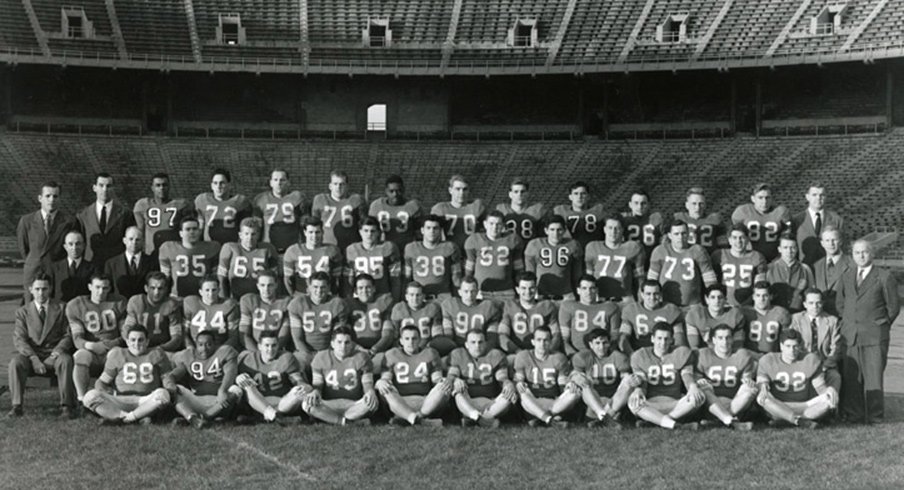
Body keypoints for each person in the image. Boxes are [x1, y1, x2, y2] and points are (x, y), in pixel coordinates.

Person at [835, 239, 899, 424]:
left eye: (864, 252)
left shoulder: (884, 277)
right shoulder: (847, 276)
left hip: (874, 335)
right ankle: (854, 414)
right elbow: (841, 304)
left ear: (872, 254)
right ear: (852, 255)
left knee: (873, 377)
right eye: (857, 252)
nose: (861, 256)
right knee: (852, 377)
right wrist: (849, 322)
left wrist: (881, 323)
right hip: (850, 335)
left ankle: (875, 416)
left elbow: (893, 307)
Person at [8, 273, 76, 418]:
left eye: (44, 289)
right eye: (37, 289)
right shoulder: (23, 312)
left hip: (54, 353)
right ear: (30, 289)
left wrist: (56, 353)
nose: (41, 293)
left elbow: (68, 335)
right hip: (32, 354)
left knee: (66, 360)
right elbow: (20, 339)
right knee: (15, 363)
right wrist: (33, 358)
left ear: (50, 289)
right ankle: (16, 406)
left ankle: (66, 406)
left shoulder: (62, 308)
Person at [82, 325, 171, 425]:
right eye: (133, 340)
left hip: (145, 400)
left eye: (140, 340)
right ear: (127, 341)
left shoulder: (157, 353)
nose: (136, 344)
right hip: (120, 400)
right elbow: (102, 382)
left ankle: (123, 419)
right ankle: (134, 417)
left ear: (147, 341)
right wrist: (104, 391)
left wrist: (170, 389)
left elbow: (167, 378)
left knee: (163, 394)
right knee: (89, 396)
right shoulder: (118, 354)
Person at [628, 322, 704, 430]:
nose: (663, 343)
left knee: (700, 396)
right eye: (659, 338)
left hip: (675, 403)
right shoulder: (640, 355)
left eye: (666, 339)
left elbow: (686, 375)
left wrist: (692, 387)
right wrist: (638, 390)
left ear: (672, 340)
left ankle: (656, 421)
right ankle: (675, 425)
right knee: (633, 403)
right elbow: (642, 382)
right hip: (651, 404)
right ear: (652, 339)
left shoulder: (681, 352)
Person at [756, 329, 836, 428]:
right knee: (762, 398)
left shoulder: (810, 359)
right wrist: (763, 387)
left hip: (804, 406)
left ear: (800, 346)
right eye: (788, 346)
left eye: (795, 346)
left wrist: (829, 391)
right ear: (781, 346)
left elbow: (820, 387)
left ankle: (787, 420)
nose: (792, 350)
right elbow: (762, 382)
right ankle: (798, 420)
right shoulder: (769, 360)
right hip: (778, 404)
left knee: (827, 398)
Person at [68, 274, 127, 407]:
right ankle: (82, 400)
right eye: (97, 287)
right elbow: (77, 338)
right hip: (91, 350)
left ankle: (115, 399)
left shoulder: (119, 303)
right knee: (80, 355)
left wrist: (108, 344)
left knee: (117, 354)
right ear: (90, 287)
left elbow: (125, 334)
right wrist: (92, 345)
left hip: (111, 348)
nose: (101, 292)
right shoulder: (76, 305)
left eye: (105, 288)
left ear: (110, 288)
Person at [376, 326, 451, 426]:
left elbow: (436, 379)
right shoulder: (391, 354)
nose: (411, 342)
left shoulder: (430, 353)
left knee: (444, 386)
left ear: (420, 340)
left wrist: (443, 381)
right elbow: (386, 378)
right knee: (384, 387)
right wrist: (381, 382)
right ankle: (419, 421)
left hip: (426, 401)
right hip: (400, 400)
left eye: (414, 338)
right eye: (407, 339)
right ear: (401, 341)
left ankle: (412, 418)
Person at [164, 330, 241, 428]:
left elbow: (231, 373)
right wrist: (171, 386)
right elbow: (171, 376)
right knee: (177, 389)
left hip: (219, 400)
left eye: (208, 344)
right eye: (200, 344)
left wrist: (223, 390)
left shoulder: (224, 352)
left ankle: (200, 419)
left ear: (215, 344)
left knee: (236, 390)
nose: (204, 348)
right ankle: (193, 418)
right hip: (197, 400)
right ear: (196, 345)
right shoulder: (188, 355)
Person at [303, 327, 378, 425]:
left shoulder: (362, 357)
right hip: (329, 404)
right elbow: (318, 385)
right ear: (332, 344)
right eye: (339, 342)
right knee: (306, 404)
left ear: (352, 344)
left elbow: (367, 384)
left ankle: (331, 419)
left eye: (347, 342)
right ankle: (346, 421)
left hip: (354, 404)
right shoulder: (321, 357)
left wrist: (370, 392)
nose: (343, 346)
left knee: (372, 403)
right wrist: (315, 392)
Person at [17, 181, 80, 293]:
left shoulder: (69, 222)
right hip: (33, 273)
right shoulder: (27, 221)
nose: (52, 200)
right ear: (40, 198)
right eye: (48, 196)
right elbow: (24, 248)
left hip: (58, 273)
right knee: (33, 308)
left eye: (55, 196)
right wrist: (36, 261)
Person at [234, 331, 310, 424]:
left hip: (283, 402)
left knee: (300, 390)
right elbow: (238, 385)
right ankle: (276, 417)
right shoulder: (248, 359)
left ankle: (266, 417)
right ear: (259, 346)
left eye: (274, 345)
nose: (270, 349)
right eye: (267, 345)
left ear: (278, 346)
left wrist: (302, 386)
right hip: (258, 401)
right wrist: (239, 378)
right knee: (246, 385)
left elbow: (298, 380)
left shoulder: (286, 357)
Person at [447, 329, 517, 427]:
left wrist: (508, 384)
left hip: (491, 402)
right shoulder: (458, 354)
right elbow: (452, 375)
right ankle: (482, 419)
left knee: (509, 394)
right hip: (468, 399)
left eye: (480, 342)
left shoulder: (495, 355)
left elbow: (502, 378)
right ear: (466, 344)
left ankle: (474, 419)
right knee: (457, 390)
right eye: (473, 342)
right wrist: (456, 380)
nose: (477, 346)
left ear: (486, 343)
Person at [513, 327, 580, 427]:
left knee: (575, 393)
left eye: (546, 340)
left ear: (551, 342)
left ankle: (541, 418)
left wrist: (569, 386)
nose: (542, 344)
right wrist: (518, 383)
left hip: (554, 403)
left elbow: (562, 385)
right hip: (533, 400)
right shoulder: (523, 356)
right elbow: (518, 379)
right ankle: (551, 420)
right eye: (539, 340)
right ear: (533, 342)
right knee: (522, 391)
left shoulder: (558, 357)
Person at [694, 324, 758, 430]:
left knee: (751, 388)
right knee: (703, 387)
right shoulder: (703, 354)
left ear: (732, 339)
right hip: (711, 403)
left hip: (735, 402)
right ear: (714, 340)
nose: (724, 342)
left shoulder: (741, 355)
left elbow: (746, 380)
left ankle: (721, 419)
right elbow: (696, 379)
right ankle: (731, 420)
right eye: (720, 338)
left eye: (728, 337)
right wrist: (699, 381)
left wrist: (749, 381)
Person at [570, 328, 633, 428]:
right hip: (593, 400)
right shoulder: (582, 357)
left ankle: (602, 419)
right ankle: (606, 418)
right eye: (597, 343)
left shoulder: (618, 357)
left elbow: (624, 380)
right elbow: (577, 376)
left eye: (605, 343)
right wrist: (575, 378)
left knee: (628, 383)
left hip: (612, 401)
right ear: (591, 344)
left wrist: (629, 380)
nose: (601, 347)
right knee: (584, 383)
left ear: (609, 343)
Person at [646, 219, 717, 308]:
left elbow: (710, 281)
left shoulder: (698, 250)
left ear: (688, 234)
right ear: (670, 235)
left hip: (693, 306)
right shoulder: (660, 251)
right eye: (676, 234)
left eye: (683, 233)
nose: (680, 237)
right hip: (666, 306)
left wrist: (712, 301)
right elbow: (651, 282)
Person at [287, 271, 350, 370]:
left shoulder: (337, 304)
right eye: (315, 287)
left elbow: (338, 336)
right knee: (294, 365)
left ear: (329, 287)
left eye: (323, 287)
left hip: (329, 351)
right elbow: (297, 338)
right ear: (309, 288)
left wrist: (326, 355)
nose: (319, 291)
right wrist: (308, 355)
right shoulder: (298, 304)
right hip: (305, 352)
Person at [790, 289, 842, 395]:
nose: (815, 306)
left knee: (835, 377)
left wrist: (825, 365)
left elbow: (836, 347)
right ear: (804, 304)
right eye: (811, 303)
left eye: (818, 303)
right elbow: (793, 344)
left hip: (824, 364)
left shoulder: (832, 321)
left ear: (822, 304)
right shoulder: (796, 319)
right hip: (801, 363)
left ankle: (831, 407)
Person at [497, 272, 560, 361]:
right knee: (509, 361)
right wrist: (518, 351)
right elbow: (502, 335)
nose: (527, 292)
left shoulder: (547, 306)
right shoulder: (510, 306)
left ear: (536, 288)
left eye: (531, 288)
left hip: (543, 353)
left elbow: (556, 334)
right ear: (517, 289)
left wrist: (547, 351)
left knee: (559, 359)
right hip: (517, 353)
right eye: (523, 288)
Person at [76, 172, 135, 265]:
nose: (105, 189)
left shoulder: (125, 214)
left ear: (113, 188)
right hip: (91, 265)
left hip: (116, 266)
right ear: (94, 188)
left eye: (108, 186)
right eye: (101, 185)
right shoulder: (83, 215)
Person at [465, 210, 524, 300]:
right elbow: (470, 268)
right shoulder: (474, 240)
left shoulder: (513, 240)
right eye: (491, 223)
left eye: (498, 224)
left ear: (503, 226)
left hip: (506, 290)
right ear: (485, 224)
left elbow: (518, 268)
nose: (494, 227)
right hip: (482, 290)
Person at [585, 214, 645, 303]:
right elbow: (588, 278)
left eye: (617, 228)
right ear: (604, 229)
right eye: (610, 228)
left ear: (622, 230)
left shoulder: (633, 248)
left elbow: (639, 278)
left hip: (624, 300)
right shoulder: (593, 247)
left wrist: (641, 300)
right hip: (600, 300)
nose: (613, 231)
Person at [216, 217, 279, 300]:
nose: (250, 238)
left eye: (253, 234)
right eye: (246, 234)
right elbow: (221, 278)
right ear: (240, 235)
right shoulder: (229, 248)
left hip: (259, 298)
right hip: (235, 296)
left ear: (258, 235)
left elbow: (275, 278)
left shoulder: (267, 249)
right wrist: (224, 299)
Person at [158, 216, 221, 298]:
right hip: (177, 297)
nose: (192, 232)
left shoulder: (212, 248)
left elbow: (215, 277)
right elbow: (165, 278)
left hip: (203, 298)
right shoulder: (168, 248)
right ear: (181, 233)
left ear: (199, 231)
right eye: (188, 229)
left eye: (195, 229)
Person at [133, 172, 194, 255]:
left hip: (173, 252)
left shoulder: (180, 205)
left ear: (169, 187)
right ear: (152, 188)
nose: (161, 188)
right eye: (158, 185)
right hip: (151, 253)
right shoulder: (143, 205)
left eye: (164, 185)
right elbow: (140, 232)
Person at [123, 272, 184, 354]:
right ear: (146, 288)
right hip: (138, 348)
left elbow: (176, 337)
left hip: (162, 350)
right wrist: (135, 346)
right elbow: (127, 329)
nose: (156, 292)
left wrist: (159, 349)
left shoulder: (171, 304)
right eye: (153, 288)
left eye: (160, 288)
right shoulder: (136, 302)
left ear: (166, 289)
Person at [403, 214, 462, 300]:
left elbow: (456, 277)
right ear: (422, 230)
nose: (432, 231)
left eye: (435, 228)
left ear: (440, 230)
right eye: (428, 228)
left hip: (443, 297)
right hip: (419, 298)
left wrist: (457, 298)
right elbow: (407, 278)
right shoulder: (411, 248)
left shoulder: (450, 248)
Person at [558, 275, 620, 355]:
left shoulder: (610, 307)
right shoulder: (568, 307)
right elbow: (564, 339)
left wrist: (606, 356)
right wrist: (573, 356)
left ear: (597, 290)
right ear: (578, 290)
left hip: (603, 354)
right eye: (584, 288)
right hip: (577, 354)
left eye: (592, 288)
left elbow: (615, 338)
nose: (588, 292)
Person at [524, 215, 581, 300]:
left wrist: (577, 293)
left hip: (566, 294)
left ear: (564, 230)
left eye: (559, 230)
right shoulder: (535, 245)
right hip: (541, 294)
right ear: (546, 230)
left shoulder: (573, 245)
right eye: (552, 230)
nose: (556, 234)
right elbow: (530, 274)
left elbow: (577, 274)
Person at [283, 215, 344, 296]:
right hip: (302, 295)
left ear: (322, 232)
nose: (314, 236)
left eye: (317, 232)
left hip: (324, 295)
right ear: (305, 232)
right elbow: (288, 280)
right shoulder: (293, 251)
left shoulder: (332, 251)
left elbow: (337, 279)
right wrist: (294, 295)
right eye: (311, 232)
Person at [619, 280, 685, 353]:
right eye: (648, 294)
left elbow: (679, 336)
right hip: (639, 353)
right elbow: (624, 337)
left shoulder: (671, 310)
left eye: (655, 294)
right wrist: (631, 355)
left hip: (665, 353)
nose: (652, 297)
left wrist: (675, 355)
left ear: (660, 294)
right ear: (642, 294)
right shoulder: (631, 310)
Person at [345, 217, 402, 301]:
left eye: (372, 231)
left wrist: (395, 299)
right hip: (360, 297)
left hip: (383, 297)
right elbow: (349, 281)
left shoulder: (388, 248)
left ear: (378, 232)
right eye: (366, 231)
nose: (369, 234)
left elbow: (395, 279)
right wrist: (349, 300)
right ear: (360, 232)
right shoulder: (352, 250)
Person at [731, 183, 792, 262]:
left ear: (772, 198)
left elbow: (788, 238)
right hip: (749, 259)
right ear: (753, 199)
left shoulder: (781, 212)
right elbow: (735, 237)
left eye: (767, 197)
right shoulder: (743, 212)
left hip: (774, 259)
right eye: (760, 198)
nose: (764, 201)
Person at [311, 170, 367, 253]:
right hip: (327, 247)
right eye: (335, 184)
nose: (338, 187)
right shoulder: (320, 200)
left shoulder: (356, 200)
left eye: (342, 184)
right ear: (330, 186)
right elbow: (313, 225)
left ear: (347, 186)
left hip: (351, 248)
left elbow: (364, 225)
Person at [711, 223, 767, 306]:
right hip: (723, 305)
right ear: (729, 240)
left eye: (742, 237)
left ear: (747, 239)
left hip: (748, 305)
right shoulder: (719, 255)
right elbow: (713, 284)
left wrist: (750, 303)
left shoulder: (757, 257)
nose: (738, 241)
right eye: (734, 238)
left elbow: (759, 287)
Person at [252, 169, 305, 253]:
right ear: (271, 183)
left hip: (292, 248)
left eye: (282, 180)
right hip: (268, 247)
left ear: (288, 182)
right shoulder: (261, 199)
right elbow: (256, 227)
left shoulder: (297, 198)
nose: (279, 183)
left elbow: (304, 225)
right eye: (275, 180)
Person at [194, 168, 252, 245]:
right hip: (209, 246)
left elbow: (245, 229)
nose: (218, 186)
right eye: (215, 183)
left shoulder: (240, 202)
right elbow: (199, 227)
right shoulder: (202, 200)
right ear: (211, 186)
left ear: (229, 185)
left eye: (222, 183)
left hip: (232, 247)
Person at [440, 276, 502, 347]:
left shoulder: (489, 307)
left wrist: (485, 349)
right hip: (457, 348)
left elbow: (491, 337)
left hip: (480, 348)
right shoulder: (450, 305)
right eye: (466, 291)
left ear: (477, 292)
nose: (469, 295)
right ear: (460, 292)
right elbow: (448, 334)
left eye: (473, 291)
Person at [369, 174, 424, 253]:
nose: (395, 194)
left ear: (404, 190)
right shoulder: (376, 206)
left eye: (399, 191)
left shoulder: (413, 206)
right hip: (383, 250)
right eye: (391, 191)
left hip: (407, 250)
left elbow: (420, 233)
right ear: (386, 191)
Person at [182, 275, 240, 350]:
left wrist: (221, 351)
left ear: (219, 290)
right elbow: (184, 332)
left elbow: (234, 336)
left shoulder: (228, 305)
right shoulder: (190, 303)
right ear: (200, 292)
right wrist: (190, 347)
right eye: (207, 290)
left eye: (214, 290)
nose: (211, 294)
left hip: (219, 347)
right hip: (196, 348)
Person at [430, 174, 486, 251]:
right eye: (458, 189)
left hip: (472, 253)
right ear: (450, 190)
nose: (461, 193)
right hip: (449, 252)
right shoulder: (440, 209)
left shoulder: (477, 207)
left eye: (465, 189)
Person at [239, 271, 291, 352]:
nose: (266, 289)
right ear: (257, 286)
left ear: (276, 285)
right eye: (262, 285)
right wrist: (258, 353)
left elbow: (284, 335)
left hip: (276, 348)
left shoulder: (285, 302)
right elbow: (244, 334)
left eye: (270, 285)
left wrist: (272, 351)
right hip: (254, 348)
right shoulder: (248, 301)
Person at [793, 183, 843, 266]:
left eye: (822, 195)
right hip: (804, 269)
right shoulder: (797, 220)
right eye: (814, 195)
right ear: (807, 197)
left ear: (826, 197)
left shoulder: (836, 220)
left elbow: (843, 248)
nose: (818, 198)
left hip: (829, 269)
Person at [347, 273, 396, 357]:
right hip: (354, 351)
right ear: (355, 291)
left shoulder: (383, 302)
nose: (364, 291)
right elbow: (344, 333)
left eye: (368, 287)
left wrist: (374, 349)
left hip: (379, 351)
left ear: (374, 288)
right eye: (360, 288)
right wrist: (359, 349)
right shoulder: (348, 305)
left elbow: (388, 334)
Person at [685, 284, 746, 349]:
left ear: (725, 300)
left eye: (720, 297)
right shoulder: (695, 314)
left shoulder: (735, 315)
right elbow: (694, 346)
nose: (716, 301)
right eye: (713, 297)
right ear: (707, 299)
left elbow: (738, 345)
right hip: (703, 354)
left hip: (728, 353)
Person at [104, 226, 158, 299]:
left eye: (137, 240)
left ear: (143, 241)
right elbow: (108, 289)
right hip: (119, 305)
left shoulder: (152, 262)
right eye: (131, 239)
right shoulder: (111, 264)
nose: (134, 242)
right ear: (124, 240)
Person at [766, 235, 814, 312]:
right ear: (779, 249)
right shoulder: (769, 269)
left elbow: (812, 294)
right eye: (785, 247)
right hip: (775, 314)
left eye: (793, 247)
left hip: (798, 314)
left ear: (797, 249)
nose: (789, 251)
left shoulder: (805, 269)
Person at [741, 282, 791, 355]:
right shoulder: (744, 312)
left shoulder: (781, 313)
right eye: (758, 295)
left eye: (765, 295)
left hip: (772, 358)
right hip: (750, 357)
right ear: (753, 297)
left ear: (771, 297)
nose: (761, 299)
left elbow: (786, 339)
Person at [390, 282, 443, 351]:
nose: (415, 298)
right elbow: (394, 336)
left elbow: (437, 334)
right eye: (411, 295)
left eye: (418, 295)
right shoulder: (399, 308)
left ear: (423, 296)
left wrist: (430, 346)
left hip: (426, 349)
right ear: (406, 297)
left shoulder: (432, 308)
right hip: (405, 350)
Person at [812, 226, 852, 316]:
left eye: (834, 240)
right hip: (822, 316)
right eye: (827, 241)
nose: (831, 244)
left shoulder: (852, 265)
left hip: (843, 316)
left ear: (840, 241)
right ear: (822, 243)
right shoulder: (816, 266)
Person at [552, 181, 605, 249]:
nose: (579, 197)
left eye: (583, 194)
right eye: (576, 194)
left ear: (588, 196)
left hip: (593, 249)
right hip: (570, 249)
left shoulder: (598, 211)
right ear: (570, 197)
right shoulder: (561, 211)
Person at [48, 230, 96, 302]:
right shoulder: (54, 268)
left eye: (78, 244)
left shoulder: (92, 268)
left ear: (84, 246)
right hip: (59, 309)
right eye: (70, 244)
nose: (74, 248)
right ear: (65, 247)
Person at [674, 187, 724, 253]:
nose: (697, 208)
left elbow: (723, 246)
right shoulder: (678, 218)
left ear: (705, 205)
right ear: (687, 205)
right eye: (694, 204)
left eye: (701, 204)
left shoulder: (714, 219)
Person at [496, 178, 547, 242]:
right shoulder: (501, 210)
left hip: (530, 249)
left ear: (527, 194)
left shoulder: (537, 210)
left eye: (522, 192)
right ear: (510, 194)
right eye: (516, 192)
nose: (519, 195)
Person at [622, 190, 664, 267]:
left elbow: (664, 241)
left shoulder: (656, 219)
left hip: (651, 262)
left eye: (643, 203)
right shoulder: (624, 220)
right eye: (636, 203)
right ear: (630, 204)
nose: (639, 207)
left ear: (648, 204)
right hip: (628, 263)